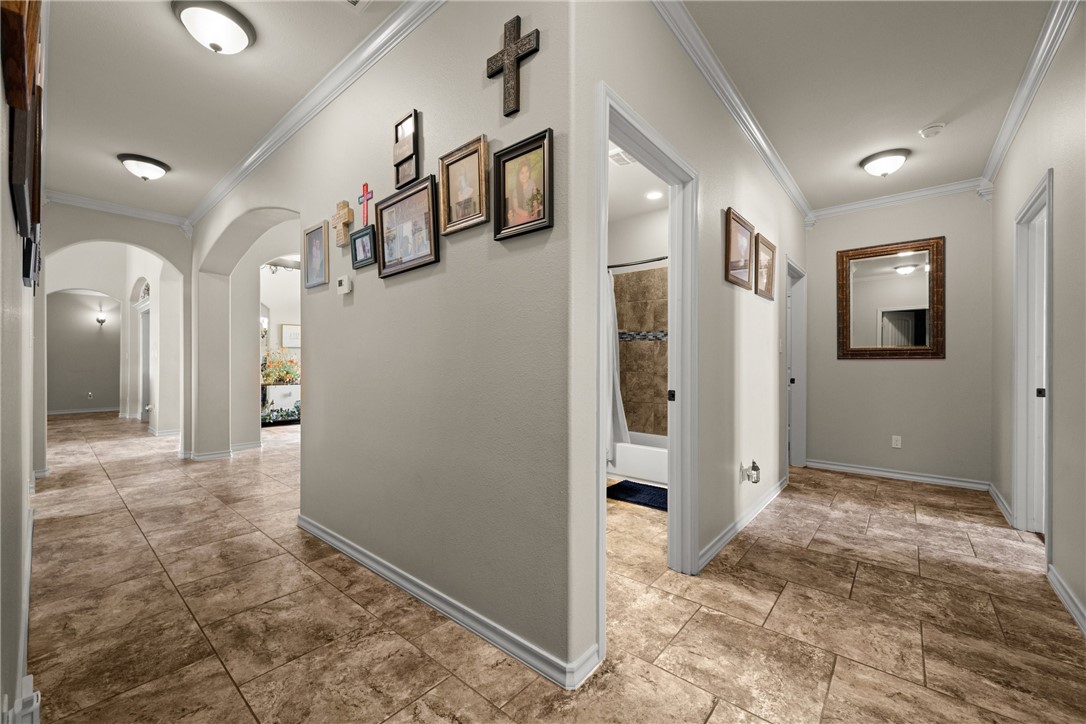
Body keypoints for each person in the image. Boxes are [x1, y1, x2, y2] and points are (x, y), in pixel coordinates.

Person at [507, 158, 541, 225]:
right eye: (522, 173)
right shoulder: (516, 190)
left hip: (532, 210)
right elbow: (516, 208)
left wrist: (535, 206)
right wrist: (527, 213)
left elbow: (535, 197)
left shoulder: (532, 183)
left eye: (527, 171)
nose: (525, 175)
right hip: (521, 213)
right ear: (518, 175)